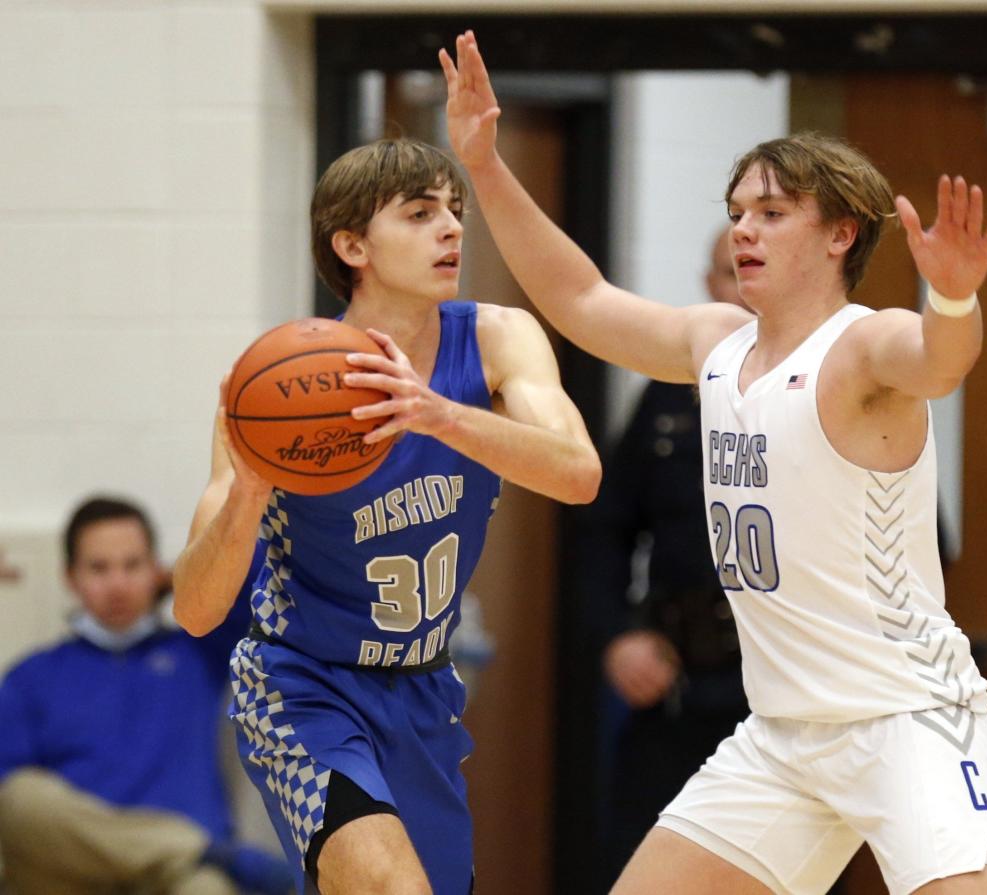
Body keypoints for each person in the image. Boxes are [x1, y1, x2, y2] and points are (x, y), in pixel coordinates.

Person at [441, 32, 987, 895]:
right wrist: (485, 166)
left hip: (908, 718)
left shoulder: (861, 348)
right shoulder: (716, 343)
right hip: (784, 733)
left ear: (840, 235)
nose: (743, 227)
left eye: (772, 212)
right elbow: (581, 299)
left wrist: (956, 294)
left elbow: (940, 358)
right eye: (738, 209)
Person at [171, 138, 600, 895]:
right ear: (352, 244)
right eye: (420, 212)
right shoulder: (276, 391)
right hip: (303, 685)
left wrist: (438, 416)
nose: (452, 229)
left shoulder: (496, 340)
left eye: (455, 211)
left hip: (424, 688)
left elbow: (578, 474)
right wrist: (247, 492)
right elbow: (198, 609)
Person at [0, 496, 291, 895]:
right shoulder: (30, 677)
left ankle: (197, 858)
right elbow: (12, 809)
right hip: (69, 873)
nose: (117, 584)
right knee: (20, 797)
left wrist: (187, 574)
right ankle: (209, 852)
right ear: (70, 578)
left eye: (132, 565)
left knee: (207, 889)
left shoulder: (198, 652)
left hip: (176, 880)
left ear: (154, 571)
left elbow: (266, 575)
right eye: (99, 568)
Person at [586, 226, 752, 884]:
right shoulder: (664, 398)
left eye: (753, 270)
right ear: (708, 288)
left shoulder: (832, 383)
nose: (741, 287)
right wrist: (620, 635)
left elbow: (910, 550)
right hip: (678, 684)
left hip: (786, 694)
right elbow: (604, 529)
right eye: (727, 272)